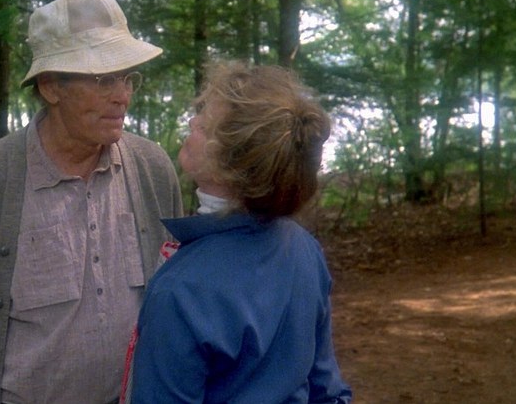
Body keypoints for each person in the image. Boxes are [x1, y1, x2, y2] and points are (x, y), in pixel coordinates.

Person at [0, 0, 184, 404]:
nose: (122, 95)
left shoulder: (151, 169)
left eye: (127, 78)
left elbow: (178, 306)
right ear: (50, 86)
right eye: (103, 79)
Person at [129, 62, 352, 403]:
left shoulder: (180, 290)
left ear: (230, 167)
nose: (192, 123)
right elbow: (328, 391)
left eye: (205, 126)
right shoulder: (304, 248)